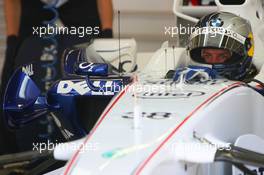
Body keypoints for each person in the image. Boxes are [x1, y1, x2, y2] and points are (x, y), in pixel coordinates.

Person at [0, 0, 114, 155]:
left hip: (82, 21)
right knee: (17, 89)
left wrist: (107, 33)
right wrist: (12, 38)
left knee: (88, 91)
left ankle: (87, 154)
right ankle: (22, 160)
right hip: (32, 23)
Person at [174, 11, 258, 82]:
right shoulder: (185, 77)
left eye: (222, 56)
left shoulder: (257, 88)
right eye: (207, 55)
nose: (213, 61)